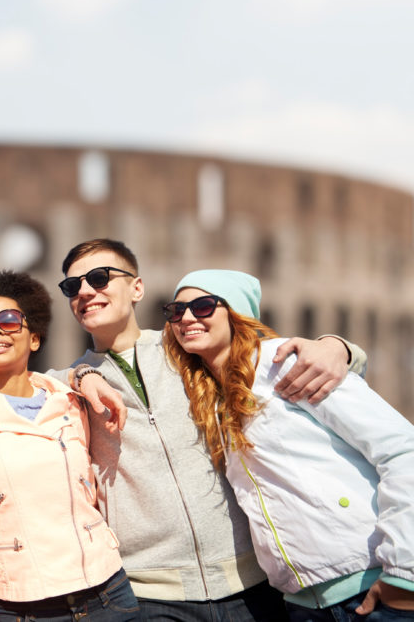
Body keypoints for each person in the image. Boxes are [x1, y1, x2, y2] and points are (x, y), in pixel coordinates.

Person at [56, 238, 368, 621]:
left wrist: (340, 347)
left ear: (137, 288)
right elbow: (24, 386)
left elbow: (268, 356)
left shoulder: (188, 349)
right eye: (72, 287)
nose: (86, 291)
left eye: (100, 278)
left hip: (250, 582)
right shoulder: (63, 387)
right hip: (151, 591)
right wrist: (79, 372)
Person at [163, 269, 414, 621]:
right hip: (302, 605)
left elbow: (402, 449)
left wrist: (405, 573)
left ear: (236, 314)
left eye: (203, 306)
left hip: (372, 587)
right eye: (176, 310)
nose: (186, 317)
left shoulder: (286, 363)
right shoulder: (207, 398)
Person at [0, 270, 138, 620]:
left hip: (105, 590)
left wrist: (81, 373)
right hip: (20, 602)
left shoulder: (72, 401)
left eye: (8, 320)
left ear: (34, 339)